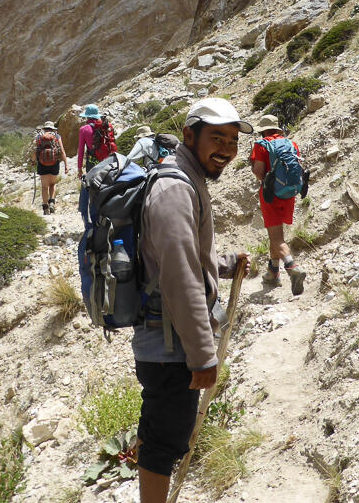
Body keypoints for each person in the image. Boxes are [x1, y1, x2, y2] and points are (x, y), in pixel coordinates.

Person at [132, 97, 252, 503]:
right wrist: (202, 355)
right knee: (164, 444)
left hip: (168, 339)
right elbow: (179, 276)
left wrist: (225, 263)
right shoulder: (174, 188)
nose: (227, 149)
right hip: (171, 347)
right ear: (188, 135)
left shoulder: (186, 177)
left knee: (161, 432)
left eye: (233, 141)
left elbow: (185, 257)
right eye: (216, 138)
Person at [249, 114, 307, 296]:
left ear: (264, 131)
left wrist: (257, 171)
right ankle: (273, 272)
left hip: (270, 194)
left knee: (276, 238)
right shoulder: (291, 143)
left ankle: (292, 267)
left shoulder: (261, 145)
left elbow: (259, 172)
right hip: (289, 193)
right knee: (276, 233)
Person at [78, 104, 116, 227]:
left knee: (91, 191)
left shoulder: (84, 129)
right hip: (108, 162)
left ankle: (91, 222)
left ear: (87, 117)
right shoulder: (106, 127)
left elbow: (80, 150)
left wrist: (79, 168)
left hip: (92, 164)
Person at [31, 121, 67, 215]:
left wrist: (33, 161)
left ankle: (45, 208)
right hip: (54, 163)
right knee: (52, 184)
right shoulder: (57, 136)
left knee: (44, 187)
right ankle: (52, 202)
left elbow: (34, 150)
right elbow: (62, 151)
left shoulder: (39, 137)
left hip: (42, 164)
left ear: (44, 128)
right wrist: (66, 165)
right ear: (52, 129)